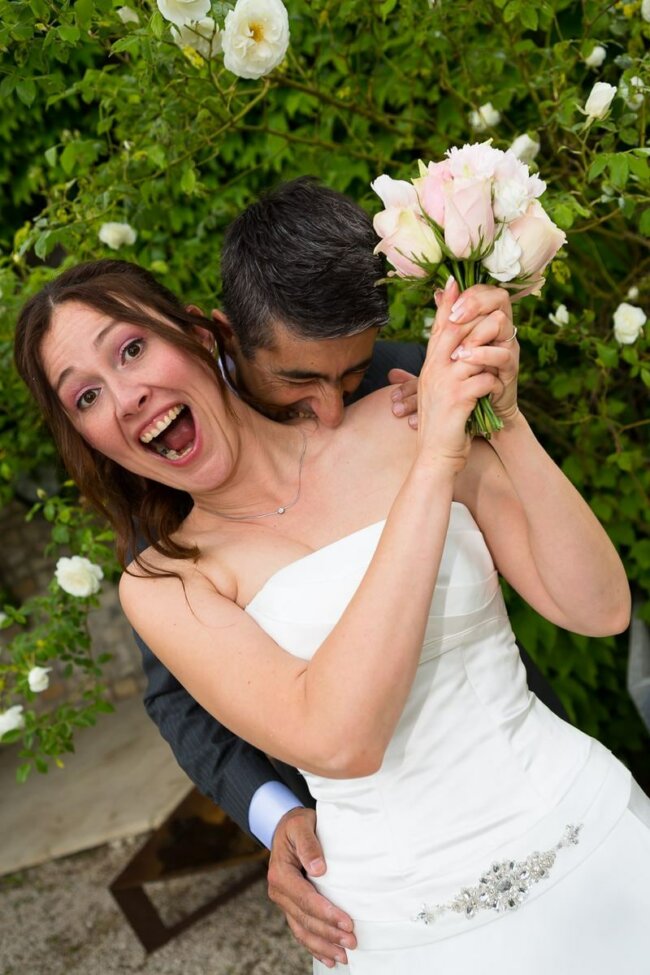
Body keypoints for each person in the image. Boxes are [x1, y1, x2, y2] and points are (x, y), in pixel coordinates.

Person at [15, 258, 650, 974]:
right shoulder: (167, 582)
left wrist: (507, 423)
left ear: (199, 335)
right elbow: (341, 740)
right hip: (406, 927)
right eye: (87, 396)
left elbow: (600, 608)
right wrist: (434, 463)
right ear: (87, 439)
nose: (126, 396)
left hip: (588, 834)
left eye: (131, 348)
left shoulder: (400, 411)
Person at [135, 178, 568, 967]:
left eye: (348, 375)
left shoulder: (412, 379)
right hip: (369, 848)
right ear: (227, 337)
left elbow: (545, 550)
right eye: (298, 381)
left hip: (529, 772)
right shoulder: (168, 484)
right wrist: (278, 818)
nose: (330, 407)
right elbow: (175, 694)